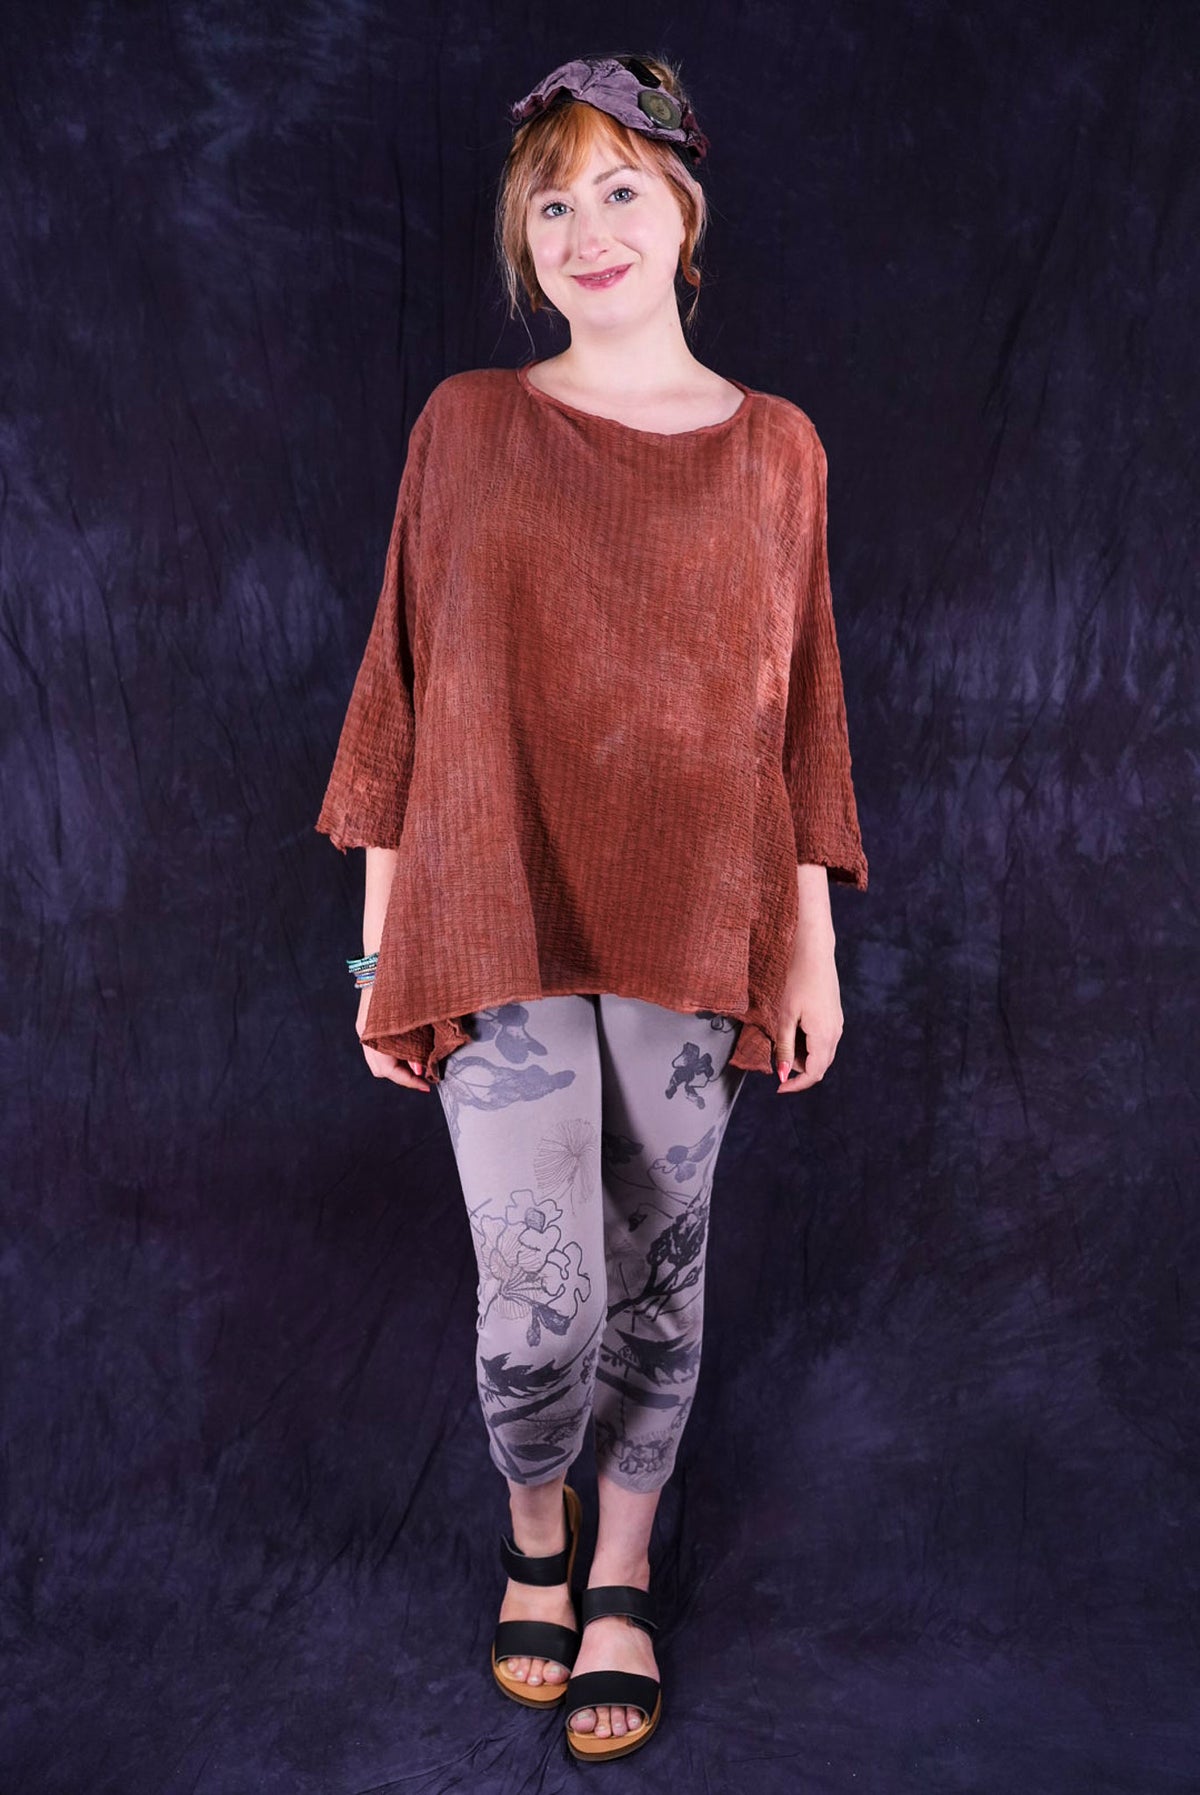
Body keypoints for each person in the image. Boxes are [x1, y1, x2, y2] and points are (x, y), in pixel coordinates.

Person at [316, 50, 868, 1765]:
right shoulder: (467, 426)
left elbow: (802, 713)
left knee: (659, 1276)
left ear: (685, 209)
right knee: (538, 1301)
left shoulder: (778, 450)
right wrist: (381, 948)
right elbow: (402, 689)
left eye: (619, 189)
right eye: (549, 203)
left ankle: (618, 1569)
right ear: (524, 242)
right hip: (490, 914)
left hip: (701, 917)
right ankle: (533, 1534)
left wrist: (811, 948)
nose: (585, 230)